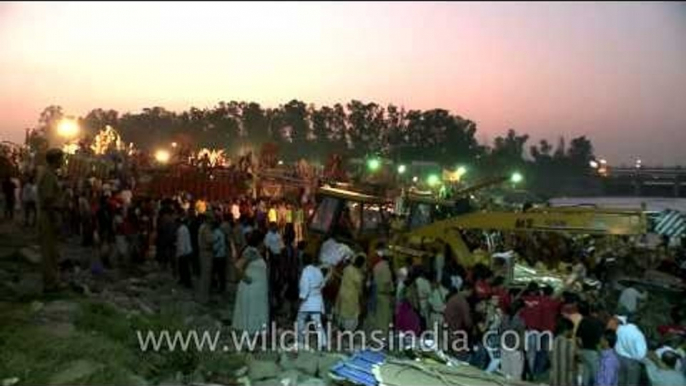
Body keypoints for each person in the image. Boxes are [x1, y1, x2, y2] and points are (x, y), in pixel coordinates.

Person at [37, 149, 64, 292]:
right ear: (55, 160)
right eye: (61, 159)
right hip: (49, 216)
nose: (63, 162)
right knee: (49, 250)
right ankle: (50, 283)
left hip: (49, 214)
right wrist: (55, 219)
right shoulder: (48, 174)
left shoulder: (49, 173)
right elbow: (48, 200)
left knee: (53, 250)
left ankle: (53, 280)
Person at [233, 230, 269, 334]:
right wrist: (246, 278)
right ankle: (247, 340)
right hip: (251, 289)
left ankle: (252, 338)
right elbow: (238, 266)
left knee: (255, 312)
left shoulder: (256, 252)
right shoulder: (251, 252)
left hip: (257, 290)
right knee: (251, 312)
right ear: (259, 241)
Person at [297, 252, 328, 350]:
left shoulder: (305, 272)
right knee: (317, 323)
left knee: (300, 320)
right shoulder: (317, 270)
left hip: (308, 301)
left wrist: (300, 300)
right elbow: (322, 284)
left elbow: (304, 289)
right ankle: (323, 343)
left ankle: (300, 341)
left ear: (302, 261)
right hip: (317, 300)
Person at [607, 316, 647, 386]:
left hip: (624, 359)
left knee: (621, 382)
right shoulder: (636, 333)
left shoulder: (622, 330)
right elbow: (641, 354)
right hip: (630, 362)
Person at [575, 302, 606, 386]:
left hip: (584, 350)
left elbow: (578, 337)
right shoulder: (599, 323)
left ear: (590, 311)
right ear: (598, 312)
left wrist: (581, 347)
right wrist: (602, 353)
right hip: (594, 351)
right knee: (597, 374)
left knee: (586, 372)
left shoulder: (583, 320)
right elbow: (600, 340)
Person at [367, 245, 394, 335]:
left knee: (377, 319)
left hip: (376, 294)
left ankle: (376, 338)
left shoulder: (377, 266)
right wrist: (390, 298)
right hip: (383, 296)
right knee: (383, 320)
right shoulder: (385, 267)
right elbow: (386, 283)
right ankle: (382, 339)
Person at [335, 253, 365, 331]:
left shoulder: (347, 268)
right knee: (351, 316)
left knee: (342, 313)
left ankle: (341, 329)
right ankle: (348, 332)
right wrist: (362, 300)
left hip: (342, 294)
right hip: (352, 297)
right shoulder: (357, 274)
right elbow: (360, 290)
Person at [444, 282, 474, 359]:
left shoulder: (452, 298)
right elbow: (468, 322)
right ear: (468, 290)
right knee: (462, 357)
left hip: (446, 329)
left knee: (449, 356)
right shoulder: (463, 302)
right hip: (454, 332)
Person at [499, 299, 526, 381]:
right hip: (515, 348)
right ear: (521, 309)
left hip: (504, 346)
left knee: (505, 372)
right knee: (516, 374)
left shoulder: (504, 318)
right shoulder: (520, 321)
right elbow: (521, 336)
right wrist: (522, 347)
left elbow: (500, 331)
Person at [550, 318, 578, 386]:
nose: (573, 332)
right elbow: (573, 365)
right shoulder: (570, 344)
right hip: (567, 381)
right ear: (566, 330)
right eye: (572, 330)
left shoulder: (551, 343)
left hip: (554, 381)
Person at [197, 213, 215, 304]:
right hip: (206, 252)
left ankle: (202, 296)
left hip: (203, 252)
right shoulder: (206, 228)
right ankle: (204, 298)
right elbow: (210, 239)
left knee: (204, 275)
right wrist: (217, 237)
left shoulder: (202, 227)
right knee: (206, 276)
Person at [175, 213, 193, 288]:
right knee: (184, 268)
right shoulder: (184, 228)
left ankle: (187, 283)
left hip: (184, 252)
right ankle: (184, 281)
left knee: (184, 269)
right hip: (186, 251)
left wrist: (180, 253)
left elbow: (182, 243)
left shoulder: (181, 230)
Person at [211, 217, 227, 293]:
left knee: (215, 272)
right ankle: (222, 287)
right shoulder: (221, 232)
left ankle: (217, 286)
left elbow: (216, 244)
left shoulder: (216, 233)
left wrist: (213, 251)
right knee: (221, 273)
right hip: (222, 255)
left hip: (218, 256)